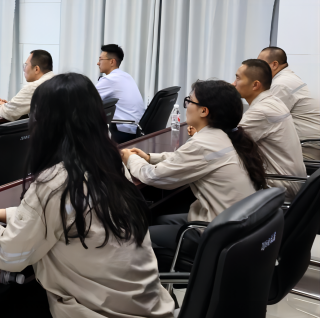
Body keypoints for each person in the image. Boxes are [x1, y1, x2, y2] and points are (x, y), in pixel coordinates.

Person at [0, 73, 175, 318]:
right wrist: (0, 214)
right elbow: (70, 214)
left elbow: (10, 255)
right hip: (149, 317)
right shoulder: (110, 166)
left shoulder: (55, 183)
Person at [121, 80, 266, 271]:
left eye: (190, 101)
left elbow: (153, 177)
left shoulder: (205, 142)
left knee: (131, 236)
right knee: (161, 218)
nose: (187, 105)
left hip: (220, 236)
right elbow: (185, 158)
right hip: (237, 228)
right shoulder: (223, 135)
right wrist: (149, 157)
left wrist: (130, 159)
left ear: (204, 111)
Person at [234, 58, 305, 196]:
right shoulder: (272, 100)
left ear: (255, 85)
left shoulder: (262, 111)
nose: (234, 83)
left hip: (278, 184)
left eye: (238, 78)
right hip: (292, 180)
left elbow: (226, 142)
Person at [258, 46, 320, 160]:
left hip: (307, 147)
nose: (256, 68)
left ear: (274, 64)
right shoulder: (287, 78)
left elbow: (264, 119)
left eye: (260, 63)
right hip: (310, 143)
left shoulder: (281, 84)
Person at [95, 44, 146, 144]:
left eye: (100, 59)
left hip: (125, 132)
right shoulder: (126, 76)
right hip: (138, 129)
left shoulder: (109, 79)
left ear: (112, 61)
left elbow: (85, 99)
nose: (98, 63)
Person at [0, 49, 55, 121]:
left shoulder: (35, 87)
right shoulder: (55, 80)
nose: (24, 69)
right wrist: (10, 105)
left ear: (36, 69)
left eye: (25, 65)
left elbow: (9, 113)